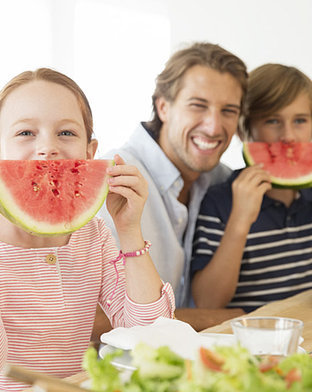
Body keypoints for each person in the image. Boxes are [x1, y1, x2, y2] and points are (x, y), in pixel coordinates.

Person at [0, 68, 175, 392]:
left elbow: (151, 337)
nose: (47, 148)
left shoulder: (95, 237)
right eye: (26, 132)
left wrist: (130, 229)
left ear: (91, 153)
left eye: (66, 132)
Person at [96, 42, 248, 331]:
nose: (214, 127)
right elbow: (87, 318)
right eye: (198, 106)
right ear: (163, 106)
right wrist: (227, 318)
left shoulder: (220, 180)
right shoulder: (112, 181)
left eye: (228, 110)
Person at [191, 64, 312, 312]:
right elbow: (207, 302)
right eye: (272, 120)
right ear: (243, 130)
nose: (288, 135)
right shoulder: (219, 202)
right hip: (249, 345)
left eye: (300, 120)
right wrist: (240, 220)